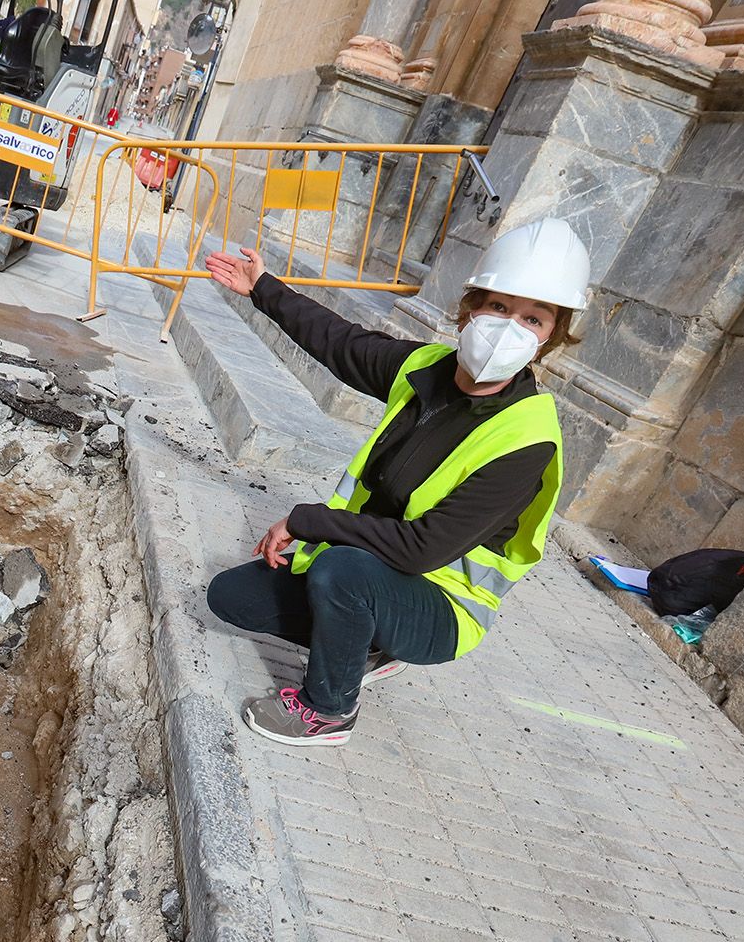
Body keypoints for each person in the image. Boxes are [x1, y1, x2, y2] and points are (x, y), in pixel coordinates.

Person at [200, 217, 590, 747]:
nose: (509, 327)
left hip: (442, 605)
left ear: (549, 339)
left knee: (341, 570)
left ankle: (329, 711)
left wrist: (306, 520)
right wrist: (264, 289)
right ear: (471, 307)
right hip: (373, 574)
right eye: (499, 307)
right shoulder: (425, 367)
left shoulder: (527, 439)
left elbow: (420, 551)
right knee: (234, 596)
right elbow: (341, 344)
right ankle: (363, 641)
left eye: (534, 319)